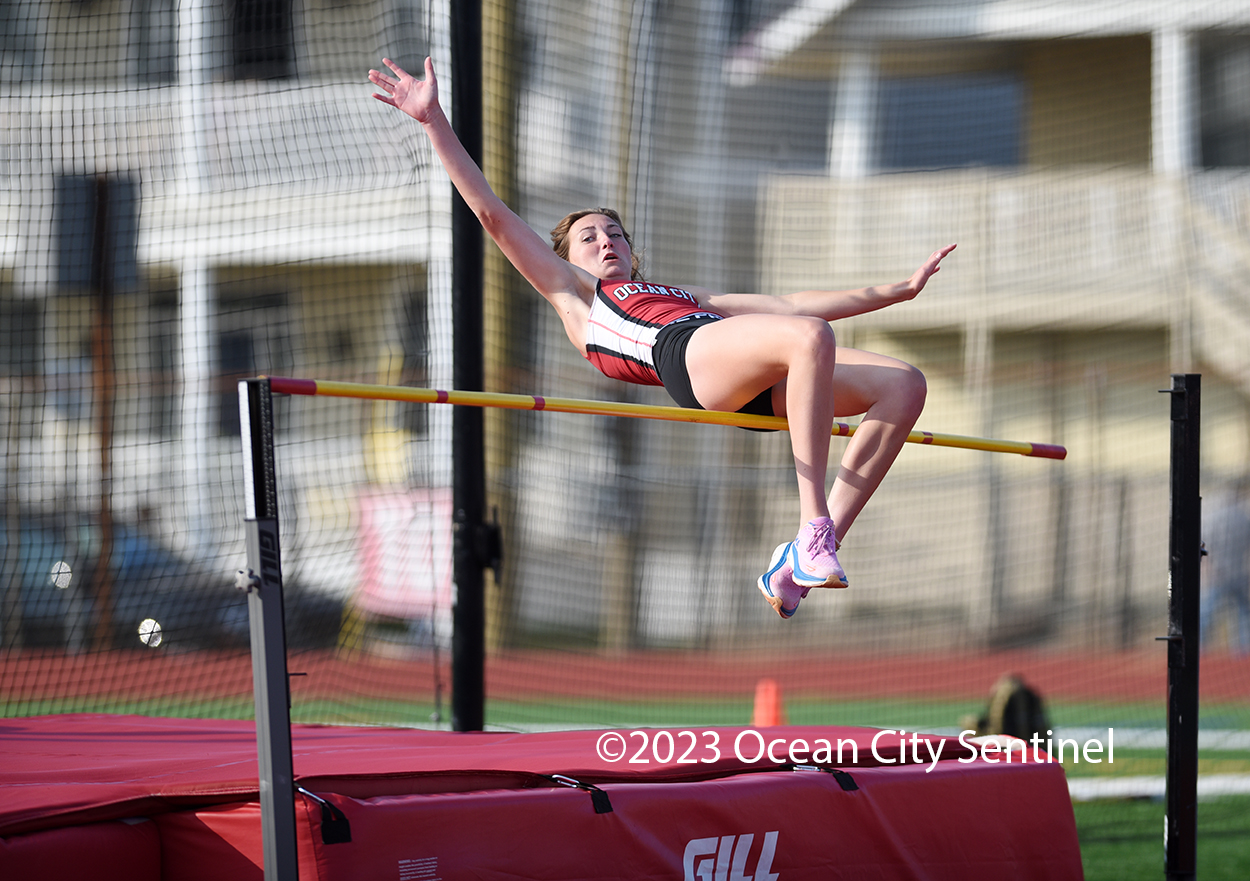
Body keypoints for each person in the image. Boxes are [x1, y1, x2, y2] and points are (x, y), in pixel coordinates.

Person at [370, 57, 955, 620]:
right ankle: (812, 528)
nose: (605, 242)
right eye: (588, 238)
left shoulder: (680, 294)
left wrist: (896, 291)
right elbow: (491, 213)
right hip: (685, 363)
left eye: (614, 233)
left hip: (742, 363)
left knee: (903, 385)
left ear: (632, 248)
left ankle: (797, 564)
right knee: (809, 337)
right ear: (567, 259)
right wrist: (434, 123)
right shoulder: (576, 296)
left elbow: (789, 304)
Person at [1201, 478, 1250, 655]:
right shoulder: (1243, 517)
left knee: (1206, 613)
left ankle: (1199, 649)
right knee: (1243, 613)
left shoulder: (1216, 517)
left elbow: (1204, 544)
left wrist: (1207, 567)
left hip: (1219, 572)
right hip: (1237, 572)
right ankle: (1244, 651)